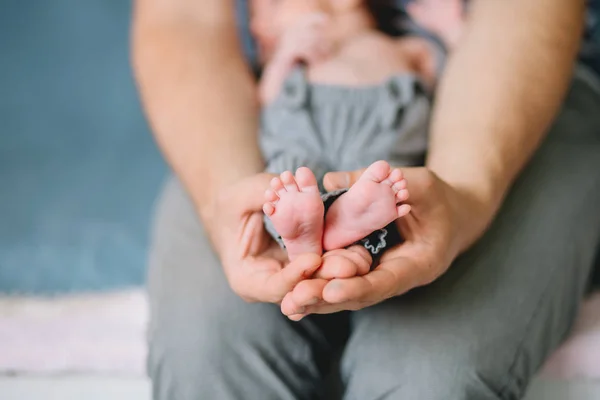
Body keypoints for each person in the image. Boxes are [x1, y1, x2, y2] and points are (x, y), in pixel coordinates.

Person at [132, 0, 600, 399]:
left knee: (430, 377)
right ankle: (316, 232)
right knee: (206, 355)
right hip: (293, 127)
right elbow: (182, 16)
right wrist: (225, 198)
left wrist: (466, 193)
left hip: (514, 72)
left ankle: (341, 226)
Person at [255, 0, 461, 264]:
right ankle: (299, 230)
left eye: (274, 4)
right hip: (303, 131)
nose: (256, 26)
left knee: (382, 186)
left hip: (382, 131)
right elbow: (267, 101)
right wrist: (284, 57)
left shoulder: (409, 47)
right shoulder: (297, 59)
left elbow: (458, 82)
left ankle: (343, 226)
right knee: (284, 182)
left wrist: (450, 30)